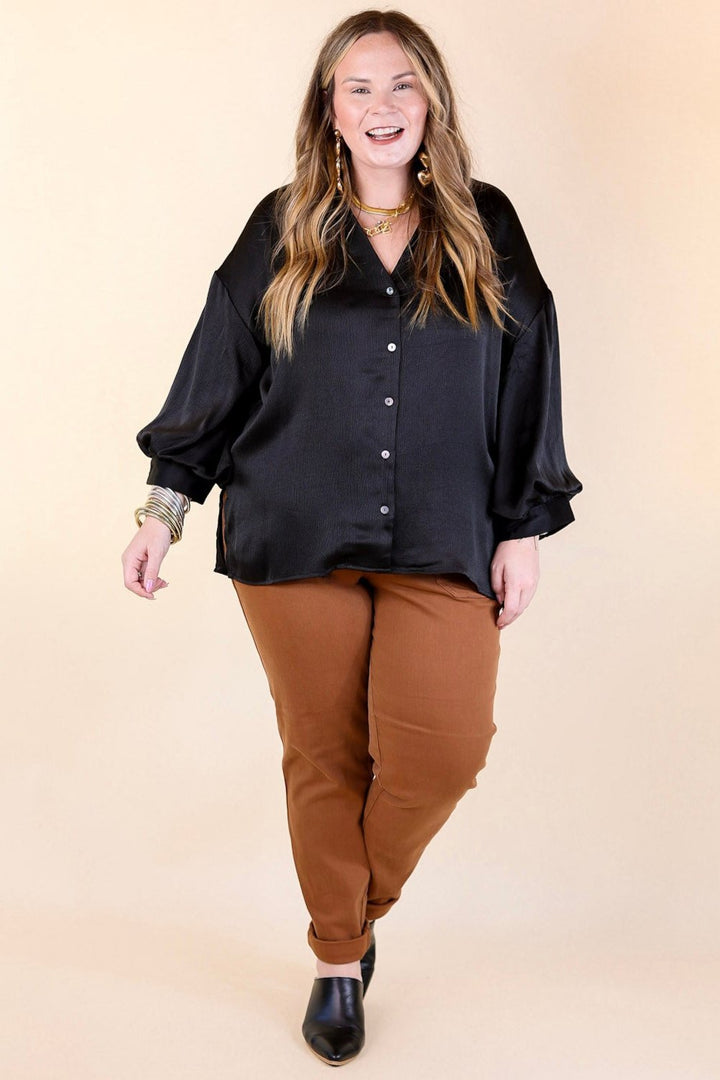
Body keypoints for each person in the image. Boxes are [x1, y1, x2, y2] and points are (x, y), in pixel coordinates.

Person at [121, 9, 582, 1067]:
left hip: (447, 532)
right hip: (292, 530)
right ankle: (338, 960)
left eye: (402, 84)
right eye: (358, 88)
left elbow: (531, 371)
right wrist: (162, 511)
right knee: (323, 752)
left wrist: (523, 527)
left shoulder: (486, 224)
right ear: (329, 112)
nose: (382, 106)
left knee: (444, 753)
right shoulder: (281, 225)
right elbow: (219, 367)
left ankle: (350, 913)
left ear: (433, 103)